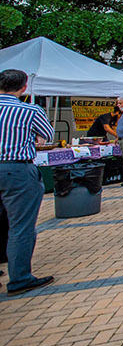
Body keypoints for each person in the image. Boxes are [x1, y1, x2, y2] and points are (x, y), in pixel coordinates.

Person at [0, 69, 55, 295]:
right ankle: (19, 278)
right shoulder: (28, 110)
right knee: (20, 226)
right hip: (15, 168)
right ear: (24, 88)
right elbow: (48, 135)